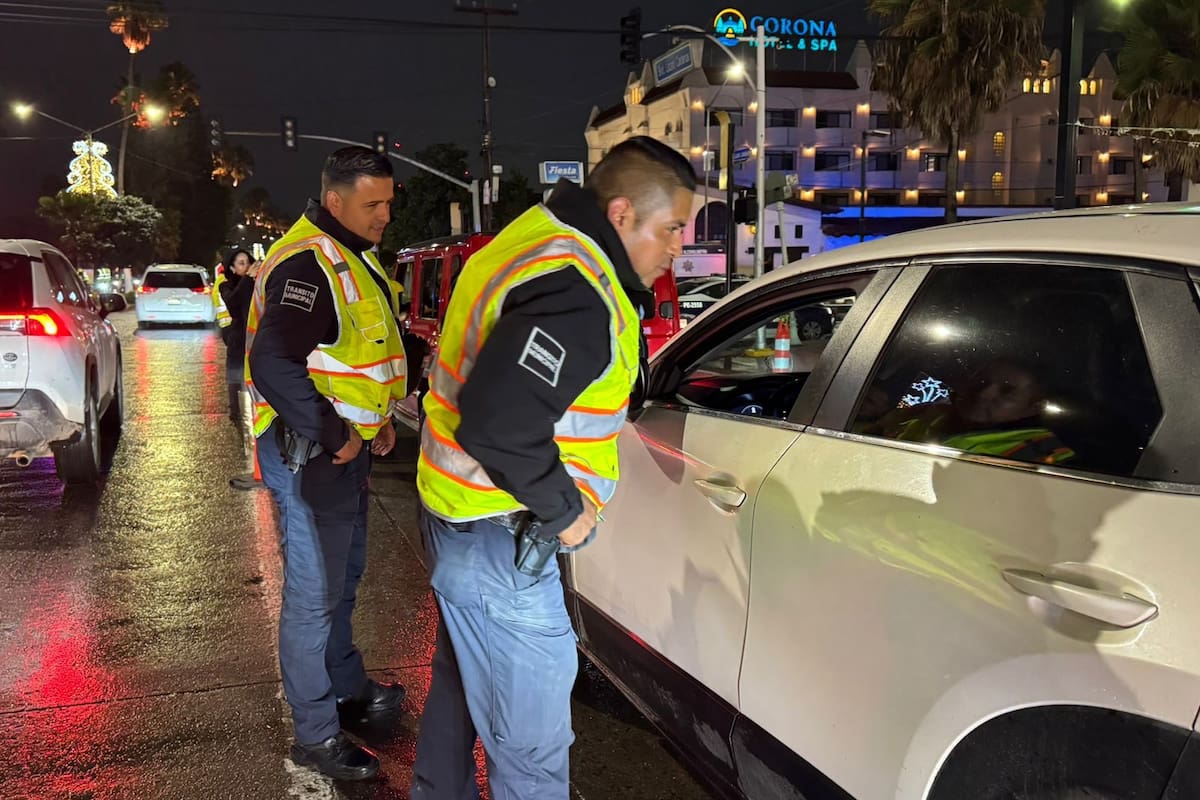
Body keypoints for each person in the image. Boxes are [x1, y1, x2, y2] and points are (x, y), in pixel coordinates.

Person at [411, 136, 696, 799]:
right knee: (532, 748)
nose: (679, 247)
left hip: (463, 515)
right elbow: (499, 420)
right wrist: (567, 512)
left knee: (459, 697)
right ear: (623, 214)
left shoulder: (536, 238)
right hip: (503, 534)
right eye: (673, 228)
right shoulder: (579, 288)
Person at [245, 146, 409, 781]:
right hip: (311, 456)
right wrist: (334, 431)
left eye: (389, 203)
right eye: (373, 204)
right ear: (335, 200)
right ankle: (315, 734)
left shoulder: (349, 260)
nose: (385, 216)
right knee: (314, 598)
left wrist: (378, 422)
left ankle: (348, 691)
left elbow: (352, 359)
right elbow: (271, 361)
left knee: (342, 584)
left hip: (343, 451)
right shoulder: (309, 264)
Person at [868, 359, 1075, 464]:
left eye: (1007, 391)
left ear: (1033, 407)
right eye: (981, 381)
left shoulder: (1044, 455)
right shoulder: (931, 412)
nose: (983, 393)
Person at [218, 248, 255, 423]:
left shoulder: (257, 282)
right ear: (232, 268)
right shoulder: (226, 286)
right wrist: (247, 279)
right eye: (241, 263)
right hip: (238, 337)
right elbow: (233, 301)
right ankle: (236, 411)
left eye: (248, 262)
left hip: (257, 335)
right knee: (235, 375)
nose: (246, 266)